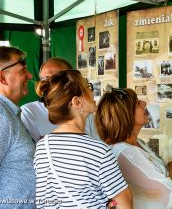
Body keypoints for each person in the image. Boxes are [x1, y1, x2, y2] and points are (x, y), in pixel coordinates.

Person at [34, 70, 132, 208]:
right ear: (77, 102)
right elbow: (124, 201)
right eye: (88, 87)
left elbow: (44, 200)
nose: (93, 93)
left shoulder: (42, 146)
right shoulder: (98, 150)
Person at [95, 88, 172, 209]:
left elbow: (162, 174)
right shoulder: (125, 152)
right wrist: (168, 188)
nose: (144, 103)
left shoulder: (138, 143)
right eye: (137, 103)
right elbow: (169, 193)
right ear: (126, 114)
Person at [21, 57, 98, 142]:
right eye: (44, 79)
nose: (49, 83)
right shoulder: (28, 112)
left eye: (57, 79)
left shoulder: (86, 112)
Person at [0, 46, 36, 208]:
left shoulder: (8, 112)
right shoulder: (1, 115)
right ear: (2, 77)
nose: (30, 76)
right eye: (23, 71)